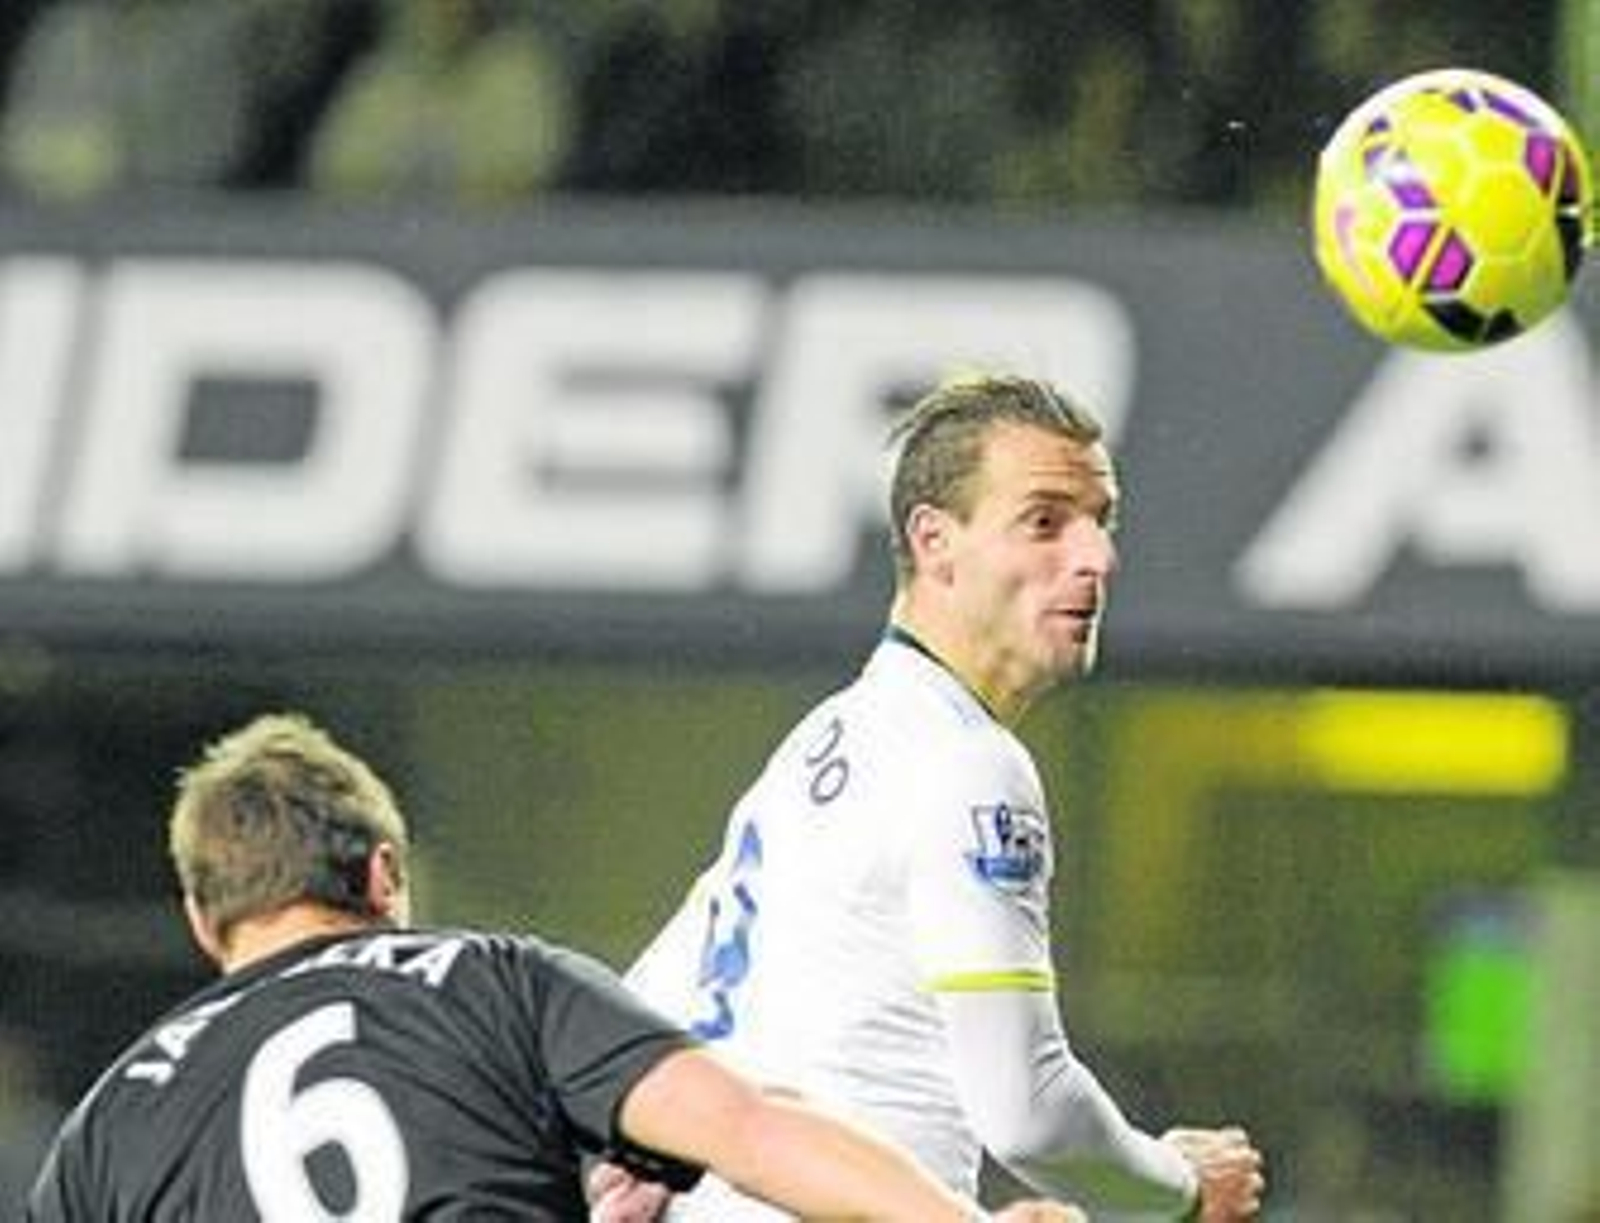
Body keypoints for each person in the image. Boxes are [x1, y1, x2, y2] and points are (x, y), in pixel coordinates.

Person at [615, 373, 1268, 1220]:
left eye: (1100, 522)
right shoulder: (968, 765)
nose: (1095, 558)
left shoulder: (828, 742)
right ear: (935, 542)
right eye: (1045, 522)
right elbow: (1026, 1111)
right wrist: (1176, 1190)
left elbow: (631, 1028)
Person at [24, 711, 1083, 1222]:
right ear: (385, 874)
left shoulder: (112, 1119)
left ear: (206, 921)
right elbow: (753, 1128)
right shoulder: (491, 979)